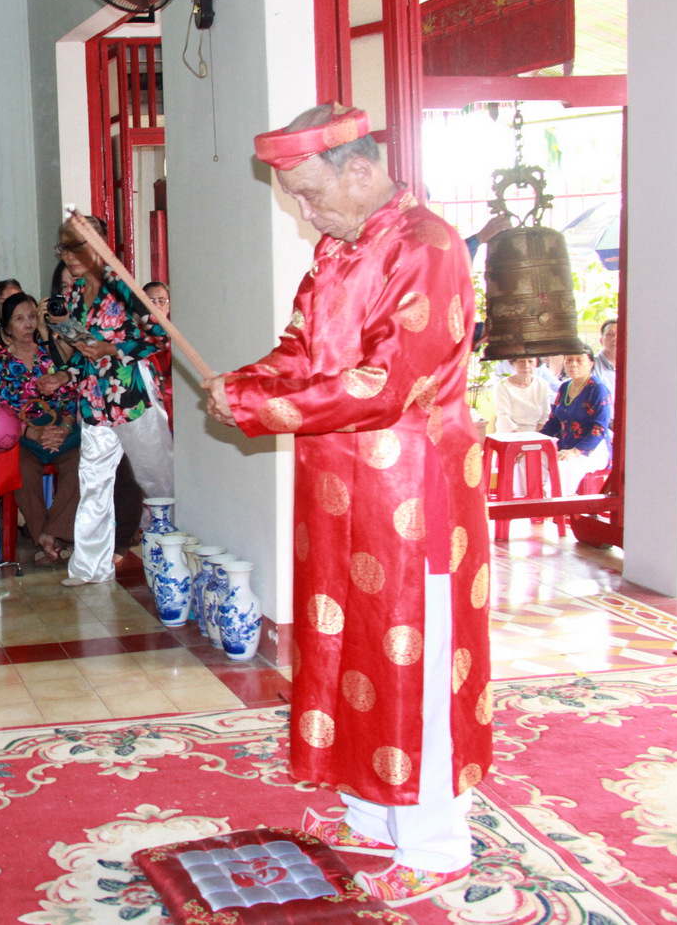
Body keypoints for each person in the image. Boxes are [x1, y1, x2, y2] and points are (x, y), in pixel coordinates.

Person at [201, 105, 493, 907]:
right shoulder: (338, 254)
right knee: (350, 649)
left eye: (308, 193)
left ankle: (435, 844)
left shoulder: (427, 249)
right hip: (337, 490)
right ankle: (373, 808)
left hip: (412, 494)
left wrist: (266, 412)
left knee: (416, 657)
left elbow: (385, 384)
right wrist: (244, 385)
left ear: (360, 170)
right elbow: (302, 351)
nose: (303, 212)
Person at [49, 214, 173, 586]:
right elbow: (83, 352)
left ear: (100, 245)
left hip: (131, 394)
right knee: (93, 482)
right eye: (63, 247)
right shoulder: (72, 294)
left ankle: (179, 553)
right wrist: (65, 369)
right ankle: (89, 567)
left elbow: (159, 337)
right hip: (93, 398)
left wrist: (110, 348)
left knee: (158, 480)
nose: (69, 255)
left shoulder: (124, 288)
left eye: (77, 246)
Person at [0, 292, 80, 565]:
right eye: (19, 319)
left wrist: (63, 427)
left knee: (78, 463)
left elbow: (70, 396)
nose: (28, 324)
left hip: (59, 432)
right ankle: (46, 537)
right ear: (7, 328)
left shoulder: (51, 353)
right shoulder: (0, 362)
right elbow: (3, 409)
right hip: (23, 437)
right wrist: (32, 432)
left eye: (32, 317)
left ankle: (52, 535)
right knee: (22, 469)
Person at [540, 345, 613, 496]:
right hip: (565, 446)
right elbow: (554, 421)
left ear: (590, 364)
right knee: (529, 459)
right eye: (570, 360)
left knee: (562, 467)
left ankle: (551, 513)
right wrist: (534, 442)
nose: (573, 364)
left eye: (579, 360)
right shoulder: (565, 387)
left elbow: (600, 427)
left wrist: (576, 451)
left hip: (591, 450)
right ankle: (528, 507)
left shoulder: (597, 389)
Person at [491, 357, 551, 434]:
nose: (526, 365)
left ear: (536, 363)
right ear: (513, 363)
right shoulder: (502, 386)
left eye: (530, 361)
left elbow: (545, 417)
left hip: (535, 435)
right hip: (508, 435)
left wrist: (535, 436)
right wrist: (522, 438)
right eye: (521, 361)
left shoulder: (542, 385)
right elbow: (504, 417)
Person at [143, 280, 174, 425]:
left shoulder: (176, 337)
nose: (156, 306)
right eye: (151, 301)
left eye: (162, 301)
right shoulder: (132, 337)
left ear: (168, 307)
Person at [593, 318, 619, 390]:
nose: (615, 338)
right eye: (610, 334)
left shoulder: (632, 365)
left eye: (619, 334)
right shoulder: (591, 365)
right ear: (601, 340)